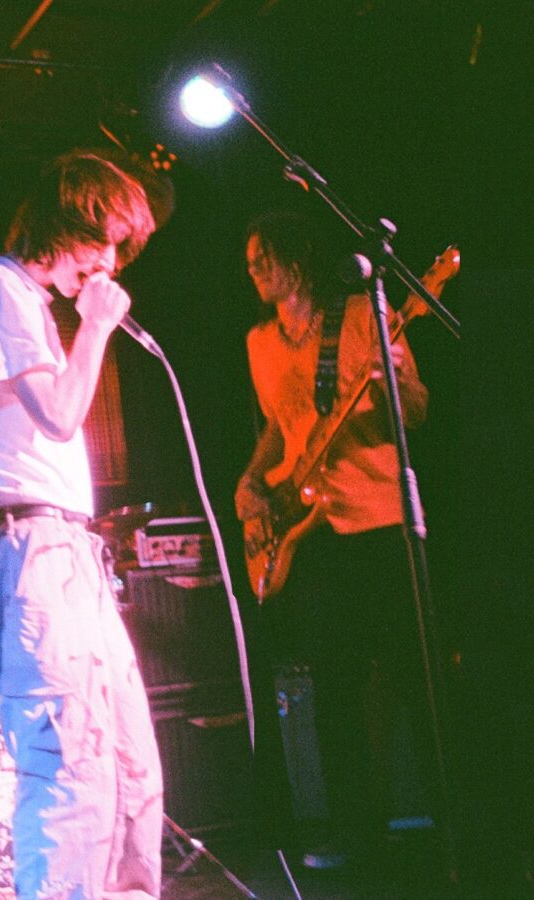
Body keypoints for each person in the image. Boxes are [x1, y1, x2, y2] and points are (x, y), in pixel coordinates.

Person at [0, 150, 164, 898]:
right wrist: (96, 326)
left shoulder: (30, 306)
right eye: (99, 242)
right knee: (69, 773)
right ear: (60, 222)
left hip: (68, 549)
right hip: (30, 546)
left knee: (132, 772)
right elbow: (63, 413)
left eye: (119, 251)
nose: (108, 264)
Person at [234, 210, 432, 866]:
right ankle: (357, 833)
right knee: (334, 687)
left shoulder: (358, 320)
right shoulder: (258, 342)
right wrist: (253, 478)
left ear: (298, 258)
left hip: (379, 521)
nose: (255, 268)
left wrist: (400, 378)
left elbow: (418, 413)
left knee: (416, 675)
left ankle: (459, 821)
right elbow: (277, 425)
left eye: (266, 255)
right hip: (309, 534)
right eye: (250, 259)